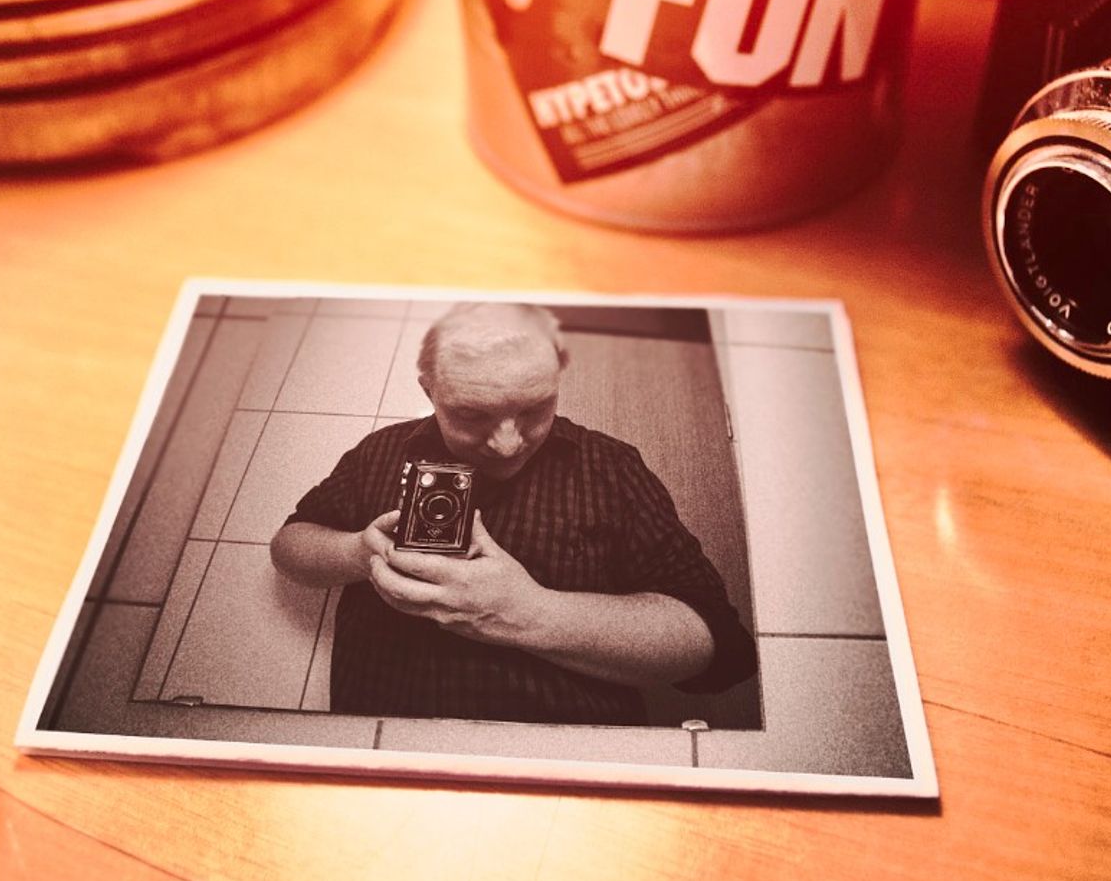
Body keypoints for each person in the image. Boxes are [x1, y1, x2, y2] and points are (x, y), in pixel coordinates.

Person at [269, 302, 756, 725]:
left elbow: (717, 645)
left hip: (567, 778)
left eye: (534, 409)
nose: (507, 444)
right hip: (379, 758)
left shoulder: (610, 465)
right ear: (429, 391)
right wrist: (359, 553)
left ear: (557, 381)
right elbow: (290, 545)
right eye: (472, 415)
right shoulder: (381, 451)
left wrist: (527, 613)